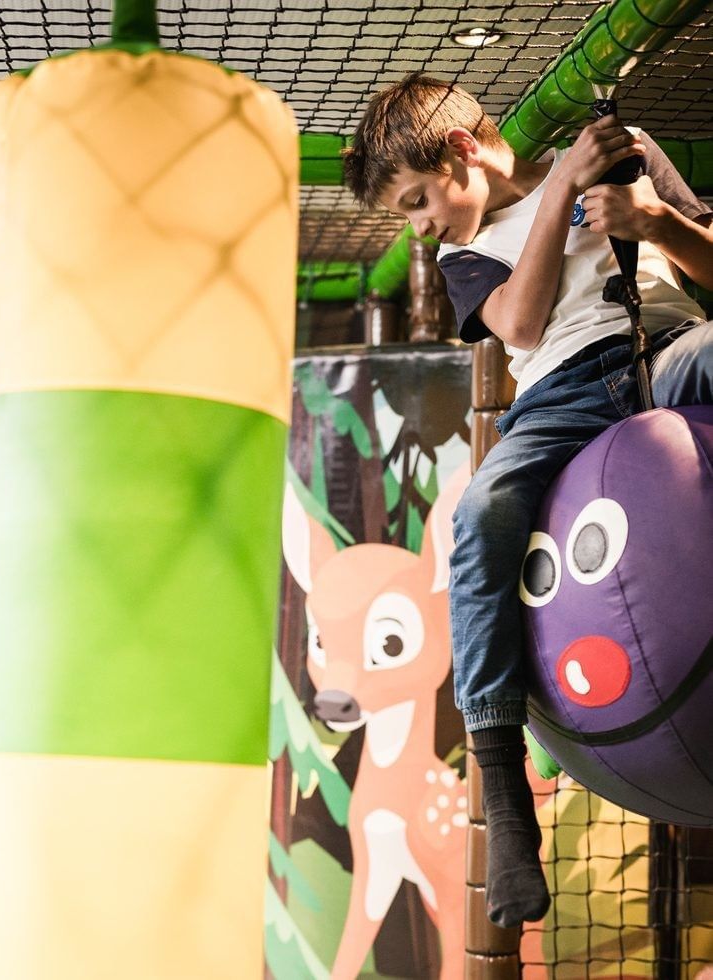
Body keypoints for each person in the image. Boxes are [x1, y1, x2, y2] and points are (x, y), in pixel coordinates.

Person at [342, 72, 713, 929]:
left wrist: (655, 222)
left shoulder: (629, 157)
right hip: (563, 397)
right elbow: (517, 324)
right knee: (480, 517)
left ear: (463, 151)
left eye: (417, 199)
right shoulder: (462, 251)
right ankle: (504, 785)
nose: (420, 225)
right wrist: (562, 194)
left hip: (670, 349)